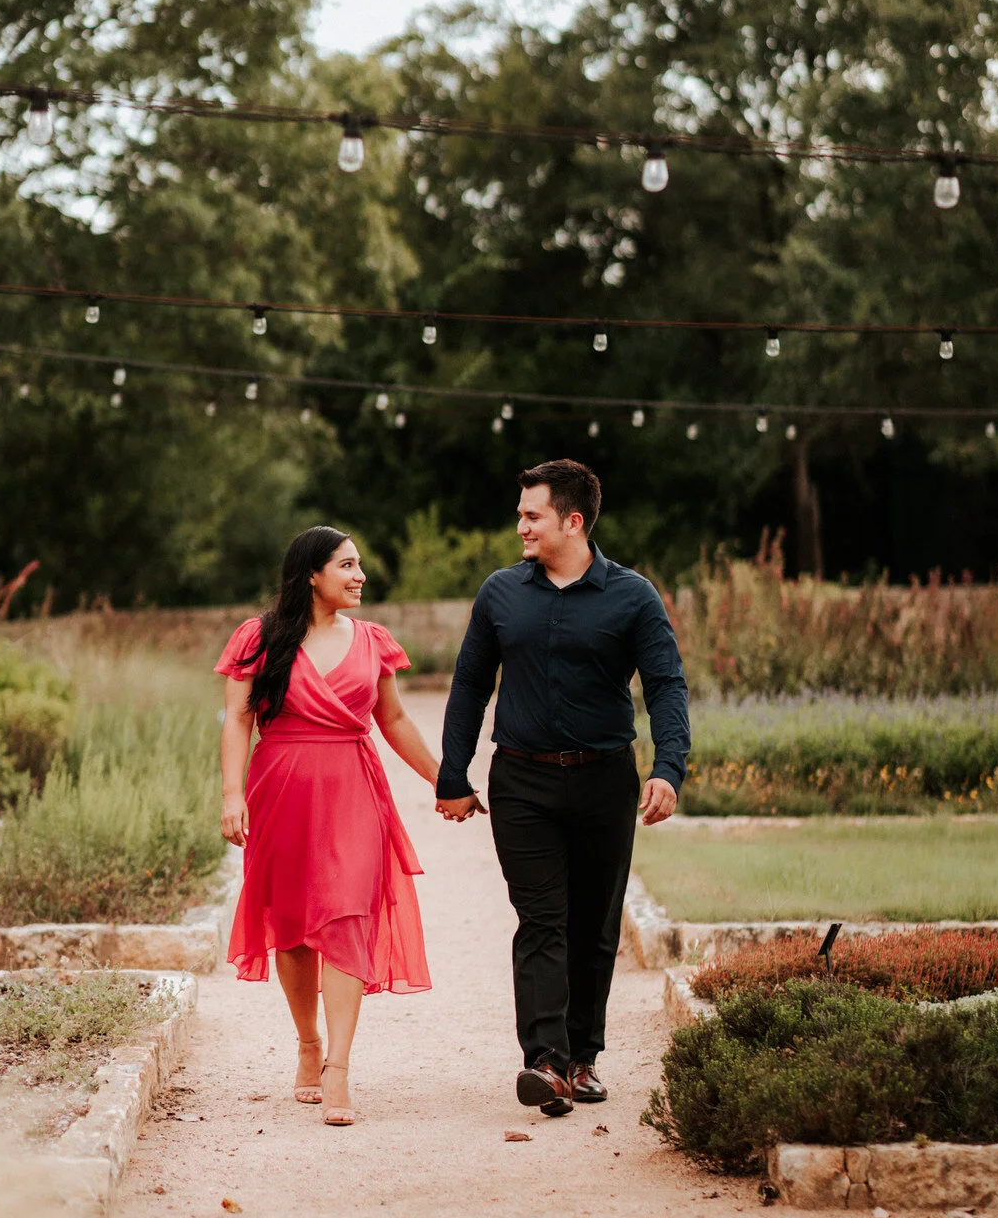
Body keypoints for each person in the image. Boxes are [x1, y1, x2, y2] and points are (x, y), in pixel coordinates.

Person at [435, 460, 690, 1115]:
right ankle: (545, 1062)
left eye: (532, 515)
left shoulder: (633, 596)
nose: (520, 525)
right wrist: (453, 770)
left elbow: (665, 684)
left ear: (572, 521)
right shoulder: (499, 594)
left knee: (593, 927)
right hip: (521, 779)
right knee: (542, 920)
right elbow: (469, 684)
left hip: (605, 778)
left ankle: (583, 1059)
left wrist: (668, 768)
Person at [217, 526, 439, 1126]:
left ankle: (338, 1067)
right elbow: (238, 720)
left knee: (346, 914)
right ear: (311, 574)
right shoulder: (259, 638)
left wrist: (443, 780)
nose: (359, 575)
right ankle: (308, 1043)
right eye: (347, 565)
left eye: (360, 565)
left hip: (352, 791)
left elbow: (393, 721)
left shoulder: (373, 641)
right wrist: (231, 794)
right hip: (279, 789)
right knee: (288, 924)